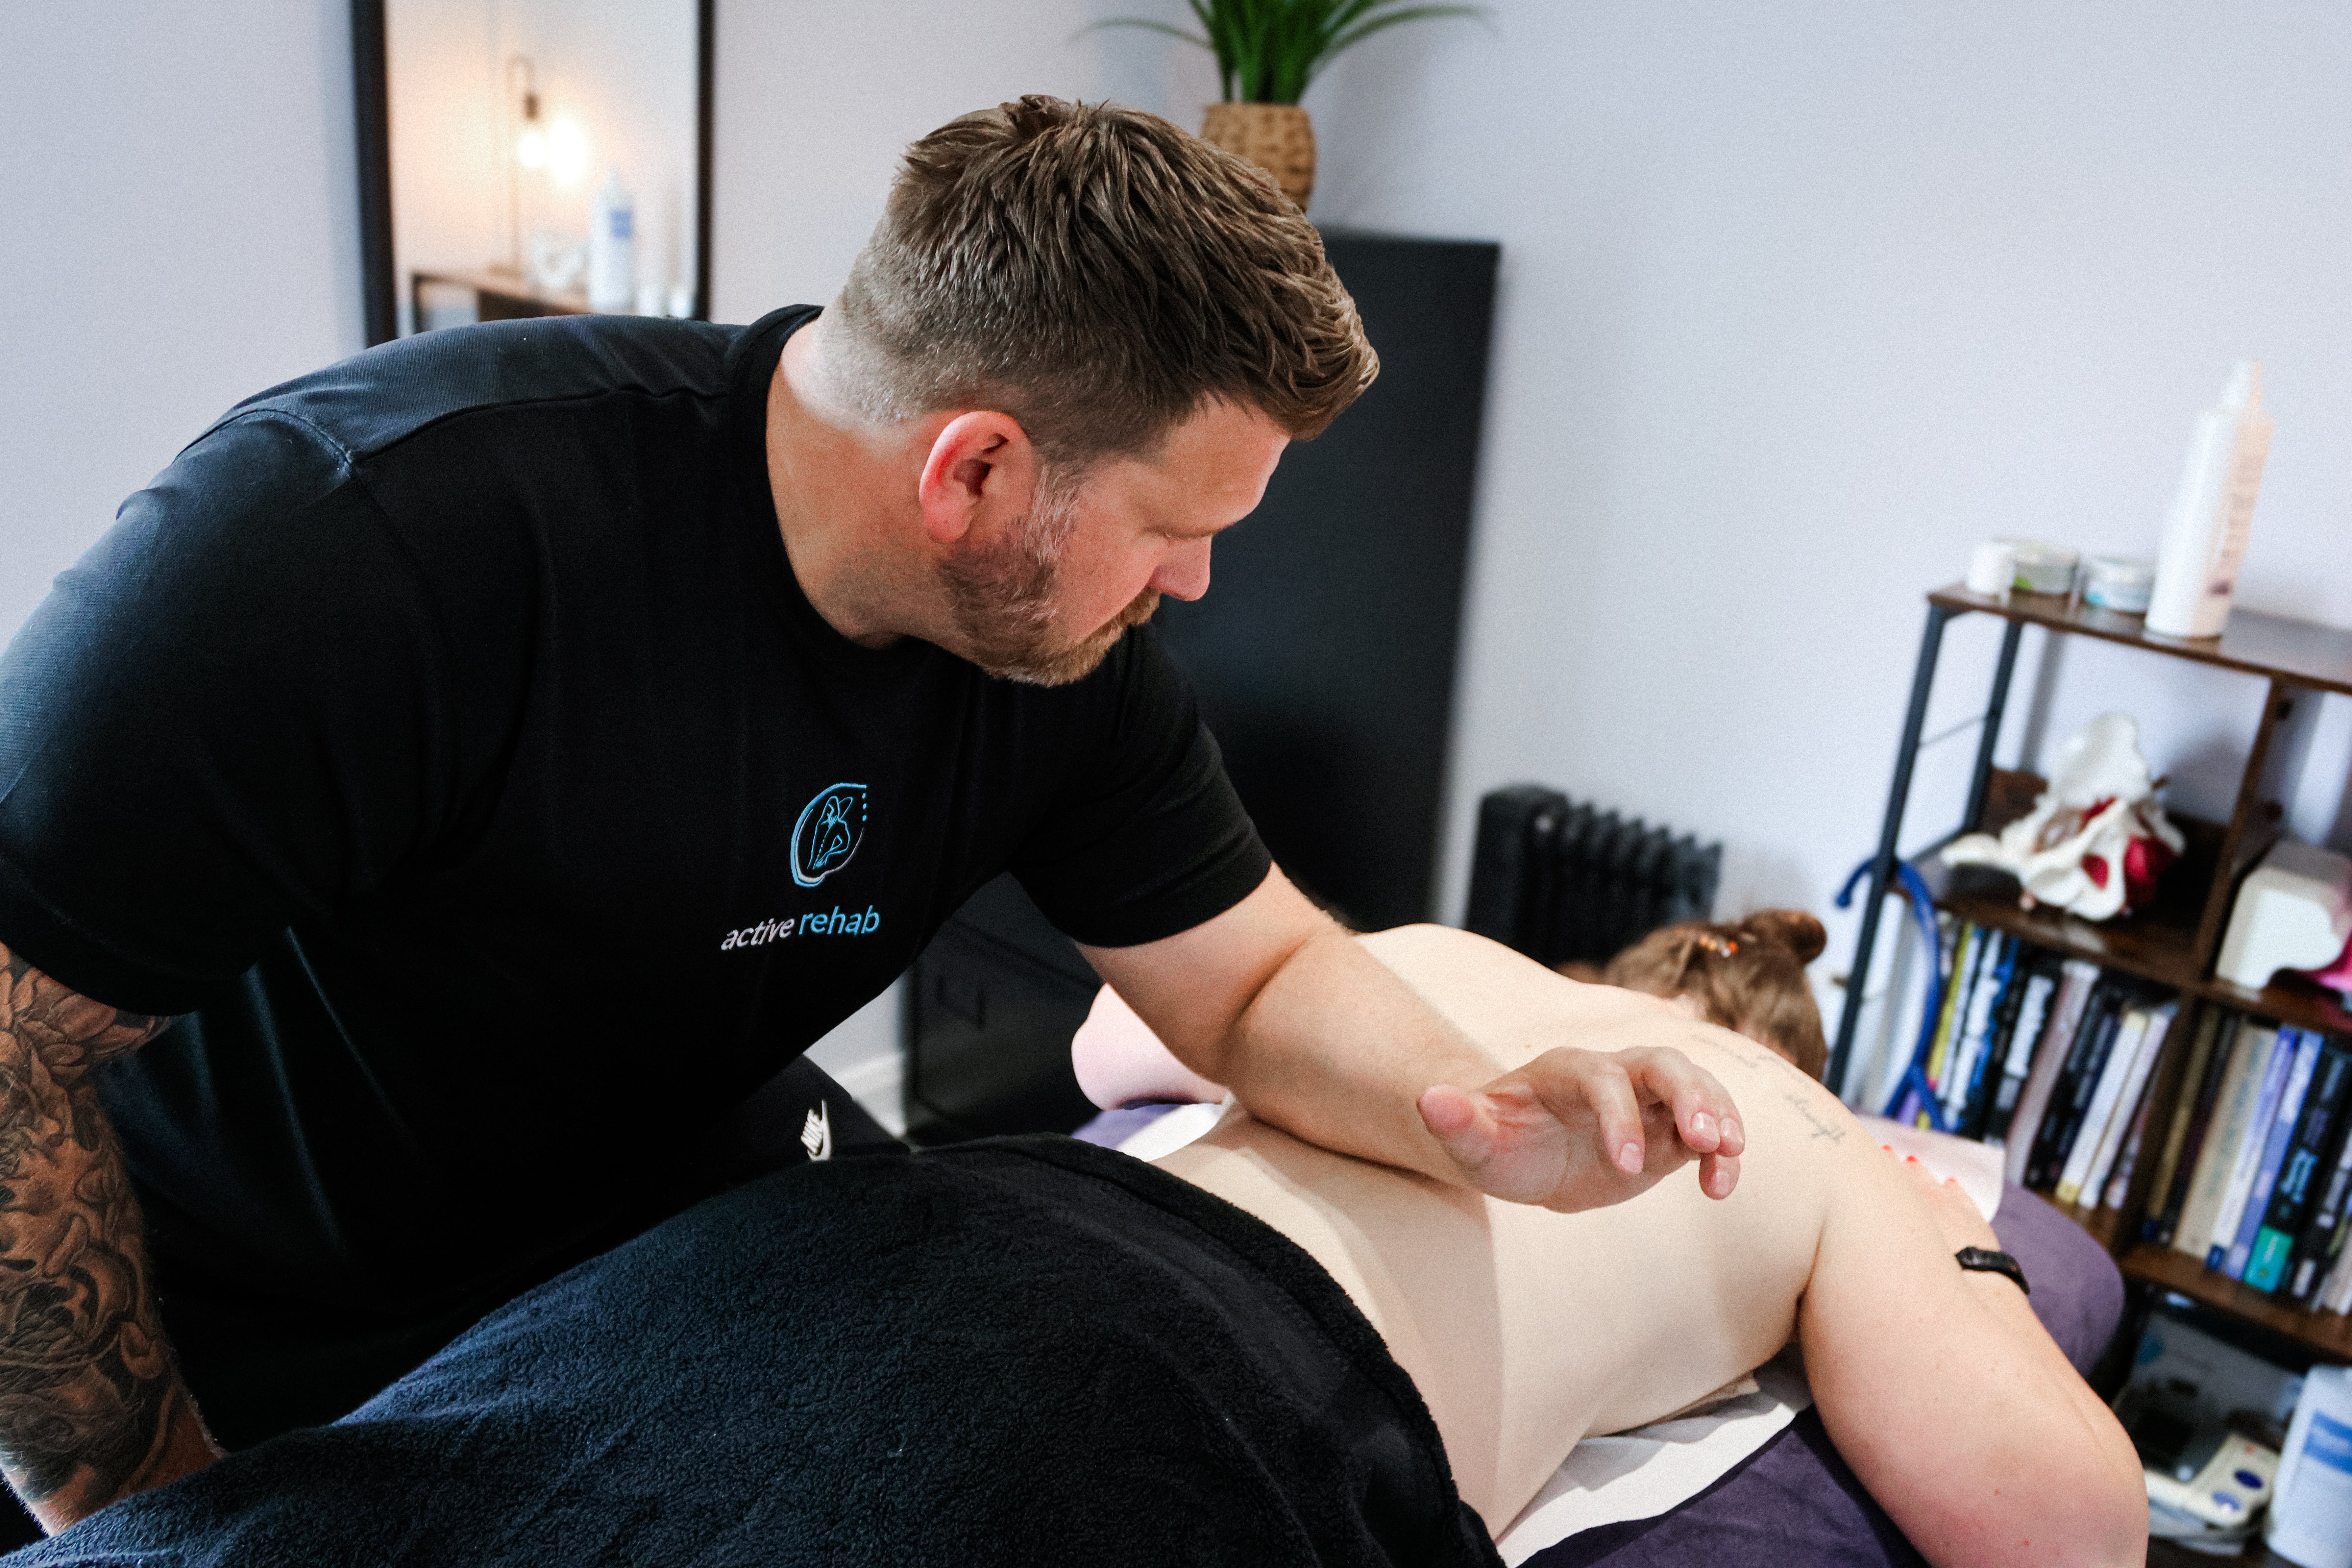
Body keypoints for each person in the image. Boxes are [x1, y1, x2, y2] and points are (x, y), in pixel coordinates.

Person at [0, 97, 1747, 1533]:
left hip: (658, 1251)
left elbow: (1258, 979)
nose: (1202, 583)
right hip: (240, 1310)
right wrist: (139, 1497)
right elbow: (8, 1049)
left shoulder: (1065, 656)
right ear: (975, 470)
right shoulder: (356, 540)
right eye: (1173, 526)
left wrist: (1482, 1115)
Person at [2, 927, 2146, 1568]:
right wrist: (1941, 1233)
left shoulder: (1415, 960)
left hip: (910, 1236)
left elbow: (1130, 1034)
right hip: (1210, 1386)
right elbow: (2059, 1524)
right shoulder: (1790, 1130)